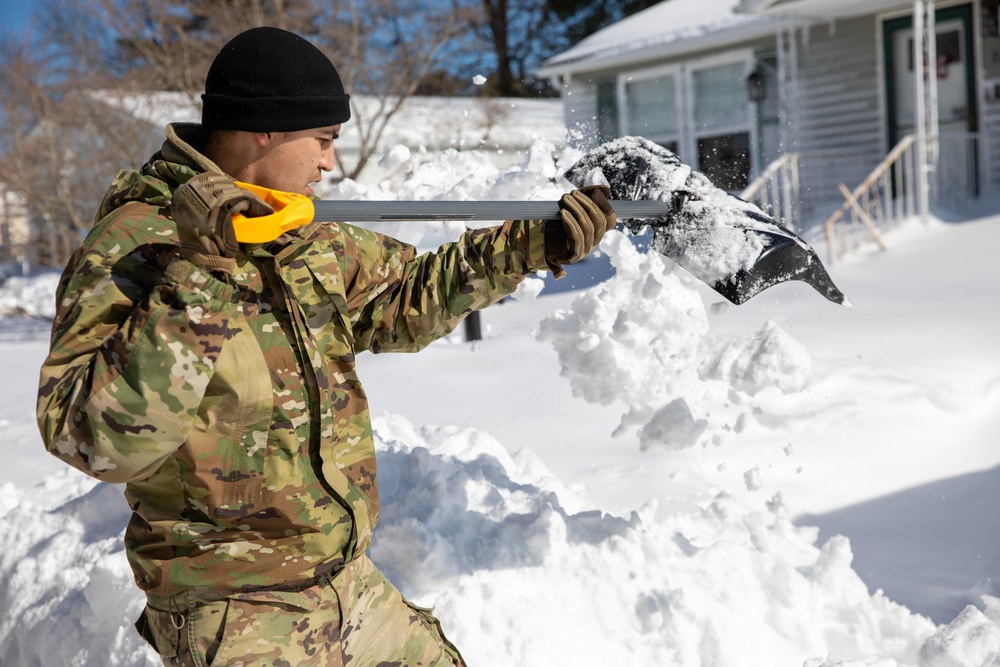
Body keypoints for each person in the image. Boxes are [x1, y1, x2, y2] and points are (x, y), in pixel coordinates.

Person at [36, 26, 615, 667]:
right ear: (266, 129)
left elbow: (407, 297)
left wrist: (533, 245)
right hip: (238, 618)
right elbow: (90, 438)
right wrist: (202, 273)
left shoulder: (298, 234)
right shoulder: (137, 245)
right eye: (324, 140)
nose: (329, 163)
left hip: (346, 589)